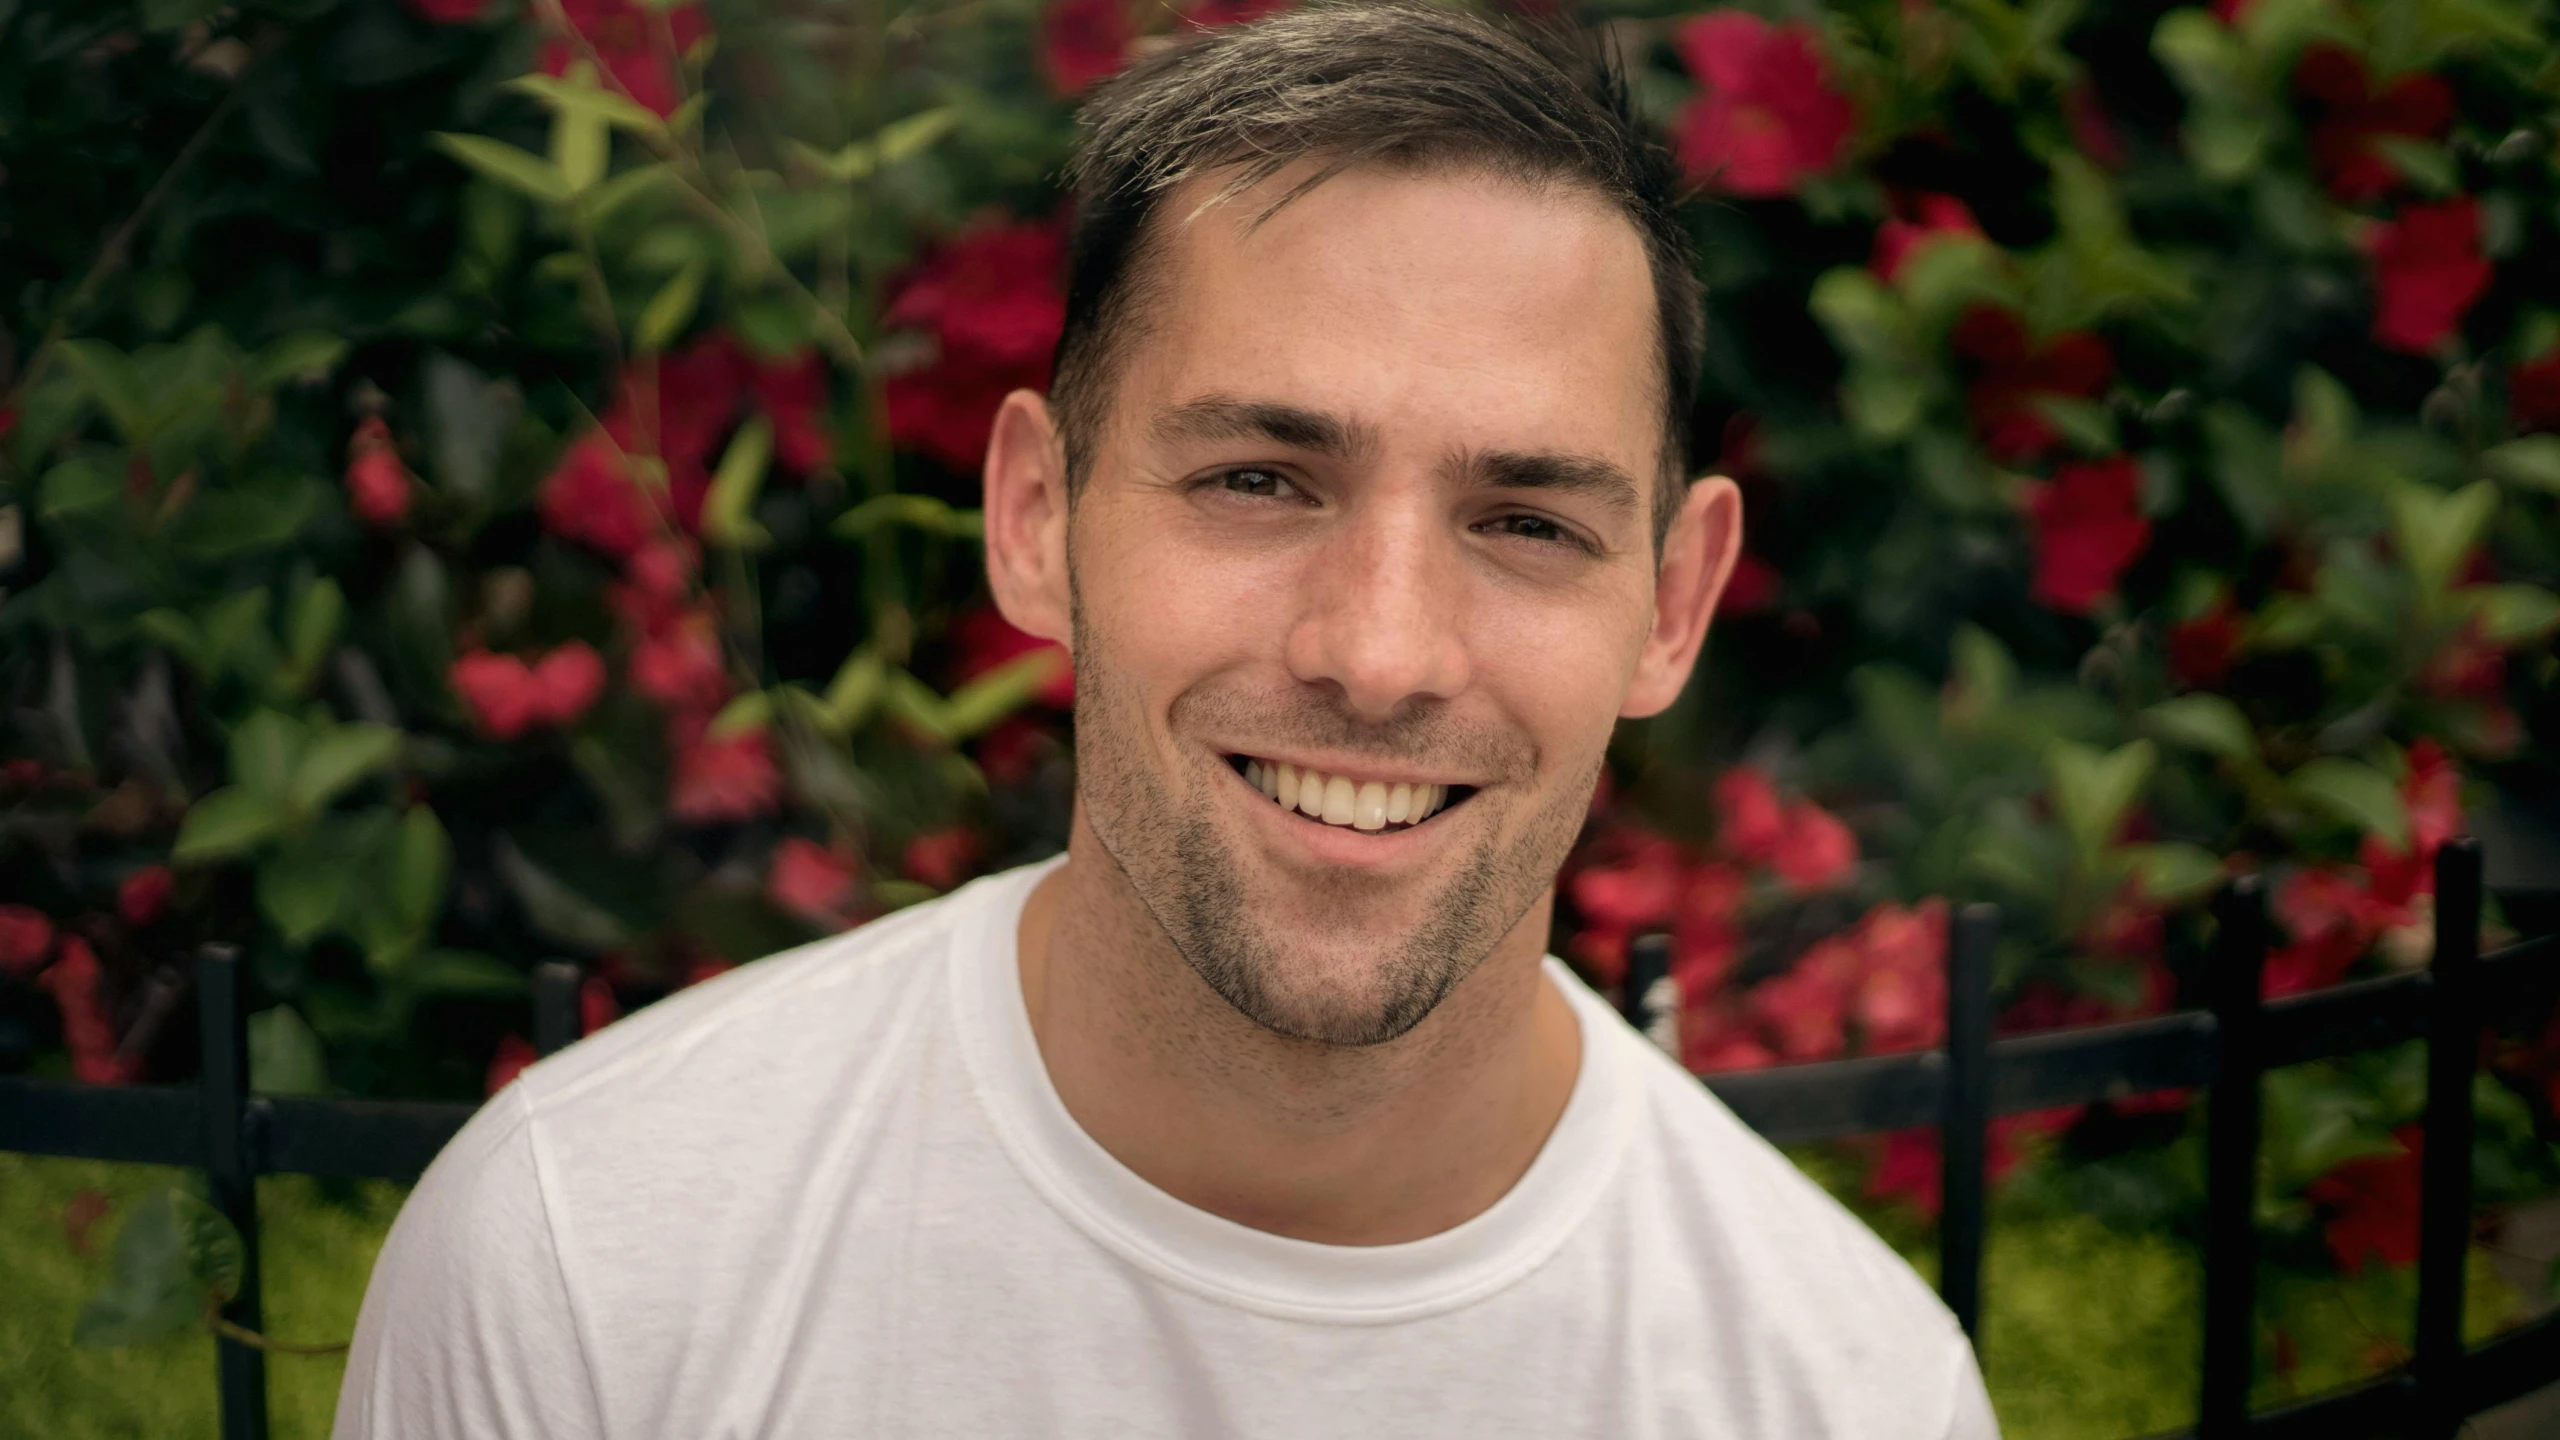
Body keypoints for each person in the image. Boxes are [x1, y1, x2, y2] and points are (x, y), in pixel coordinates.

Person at [333, 5, 1998, 1436]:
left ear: (1675, 602)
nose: (1383, 652)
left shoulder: (1848, 1396)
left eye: (1526, 522)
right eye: (1258, 481)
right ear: (1040, 520)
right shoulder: (588, 1264)